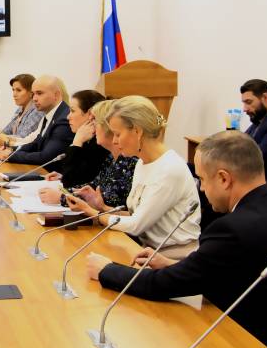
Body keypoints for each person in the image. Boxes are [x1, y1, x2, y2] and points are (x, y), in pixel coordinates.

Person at [86, 131, 267, 348]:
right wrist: (174, 264)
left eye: (202, 179)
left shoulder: (234, 228)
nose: (201, 188)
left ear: (224, 178)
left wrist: (107, 270)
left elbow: (163, 286)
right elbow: (234, 267)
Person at [72, 95, 200, 259]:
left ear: (137, 132)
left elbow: (136, 226)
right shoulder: (142, 163)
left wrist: (90, 211)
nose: (115, 141)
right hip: (148, 250)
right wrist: (103, 208)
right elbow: (137, 215)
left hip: (174, 257)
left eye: (117, 134)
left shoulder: (169, 169)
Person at [39, 99, 137, 210]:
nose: (92, 125)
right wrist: (63, 192)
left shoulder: (129, 159)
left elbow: (108, 200)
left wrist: (62, 198)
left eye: (94, 120)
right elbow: (93, 186)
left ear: (108, 126)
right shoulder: (112, 157)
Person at [0, 75, 74, 174]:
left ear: (56, 95)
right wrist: (12, 149)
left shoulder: (64, 119)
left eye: (39, 93)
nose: (34, 99)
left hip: (55, 176)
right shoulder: (51, 114)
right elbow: (36, 144)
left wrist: (11, 156)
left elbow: (46, 157)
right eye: (33, 94)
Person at [41, 90, 109, 187]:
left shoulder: (100, 144)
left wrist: (77, 142)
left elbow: (69, 182)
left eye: (72, 111)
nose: (68, 117)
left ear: (90, 114)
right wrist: (62, 176)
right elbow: (81, 177)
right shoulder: (88, 140)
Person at [0, 73, 43, 147]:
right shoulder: (20, 109)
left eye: (18, 90)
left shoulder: (37, 111)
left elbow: (22, 138)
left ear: (31, 92)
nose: (14, 94)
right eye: (13, 90)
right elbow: (6, 132)